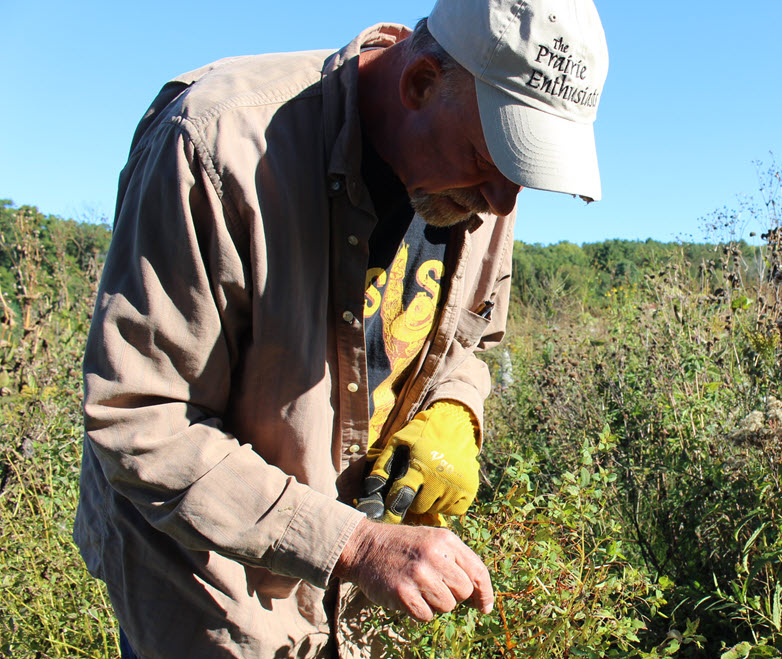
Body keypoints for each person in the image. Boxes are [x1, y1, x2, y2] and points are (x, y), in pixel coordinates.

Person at [72, 0, 608, 656]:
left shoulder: (482, 186)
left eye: (525, 173)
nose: (502, 203)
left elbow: (474, 341)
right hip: (210, 604)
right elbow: (142, 419)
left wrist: (457, 411)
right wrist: (354, 543)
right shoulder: (215, 144)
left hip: (345, 610)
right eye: (493, 157)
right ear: (419, 85)